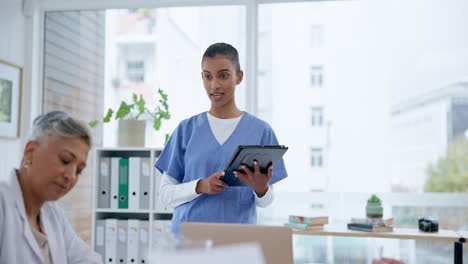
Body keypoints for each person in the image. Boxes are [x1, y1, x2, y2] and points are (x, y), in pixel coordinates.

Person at [155, 42, 288, 233]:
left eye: (223, 75)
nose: (214, 85)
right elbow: (165, 195)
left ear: (239, 77)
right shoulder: (186, 130)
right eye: (208, 77)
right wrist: (200, 186)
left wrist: (261, 189)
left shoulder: (261, 131)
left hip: (237, 241)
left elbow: (266, 202)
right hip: (188, 241)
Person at [0, 111, 102, 263]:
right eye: (65, 160)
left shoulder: (53, 214)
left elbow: (87, 260)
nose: (71, 176)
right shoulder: (3, 206)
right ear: (30, 152)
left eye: (79, 171)